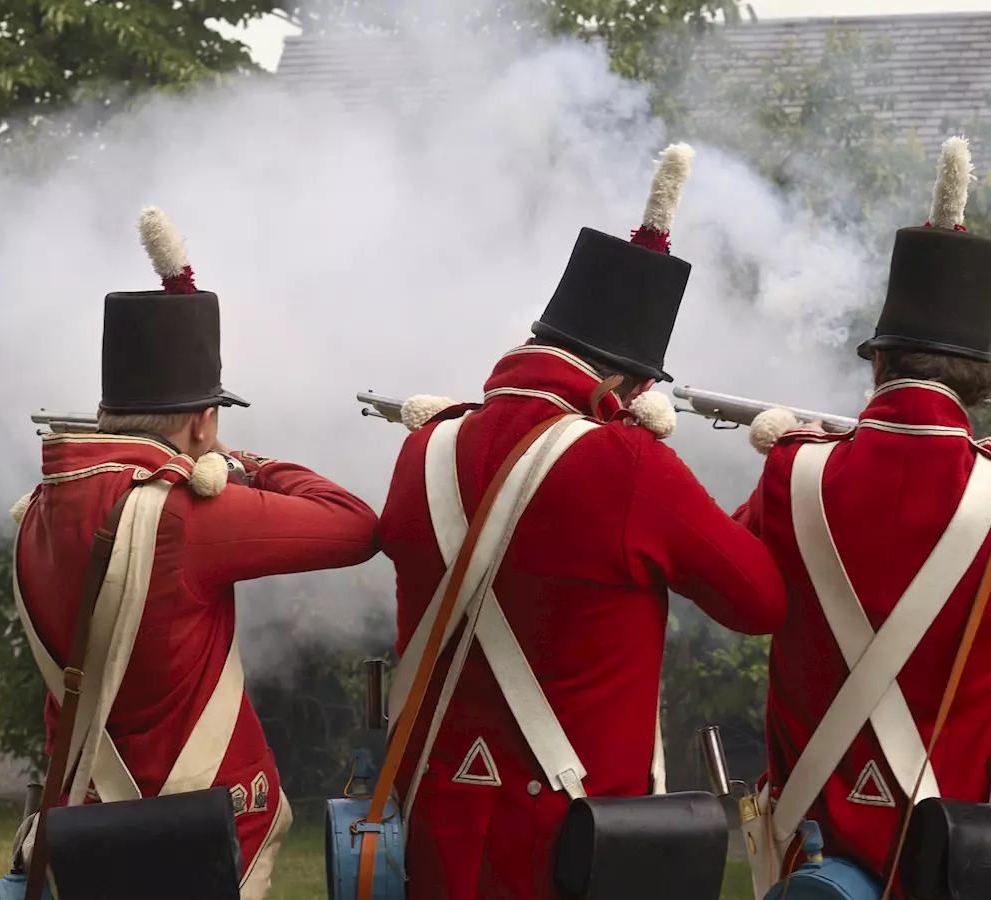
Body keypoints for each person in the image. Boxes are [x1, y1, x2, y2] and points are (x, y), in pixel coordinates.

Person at [375, 144, 789, 900]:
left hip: (435, 840)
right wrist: (784, 471)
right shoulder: (629, 465)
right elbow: (760, 600)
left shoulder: (423, 451)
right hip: (576, 853)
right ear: (629, 383)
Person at [11, 206, 379, 899]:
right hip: (200, 831)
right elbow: (356, 525)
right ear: (204, 420)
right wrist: (247, 462)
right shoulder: (184, 512)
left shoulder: (37, 511)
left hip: (87, 830)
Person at [734, 136, 991, 899]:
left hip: (808, 860)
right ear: (978, 382)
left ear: (876, 363)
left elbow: (738, 593)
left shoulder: (793, 473)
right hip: (957, 859)